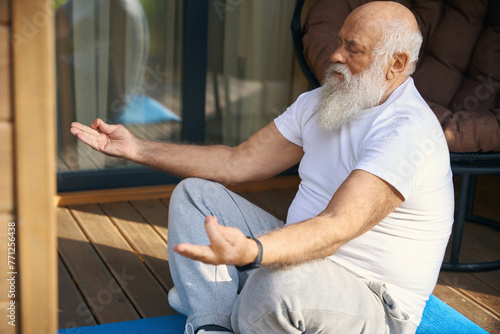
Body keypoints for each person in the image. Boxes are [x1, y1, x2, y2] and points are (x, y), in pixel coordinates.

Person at [70, 1, 454, 333]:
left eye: (352, 49)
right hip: (303, 256)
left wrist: (255, 252)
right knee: (195, 194)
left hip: (372, 302)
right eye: (339, 41)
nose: (335, 55)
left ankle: (228, 292)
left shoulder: (407, 132)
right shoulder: (323, 101)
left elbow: (337, 228)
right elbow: (235, 162)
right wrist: (138, 148)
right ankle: (212, 322)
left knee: (277, 285)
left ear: (397, 64)